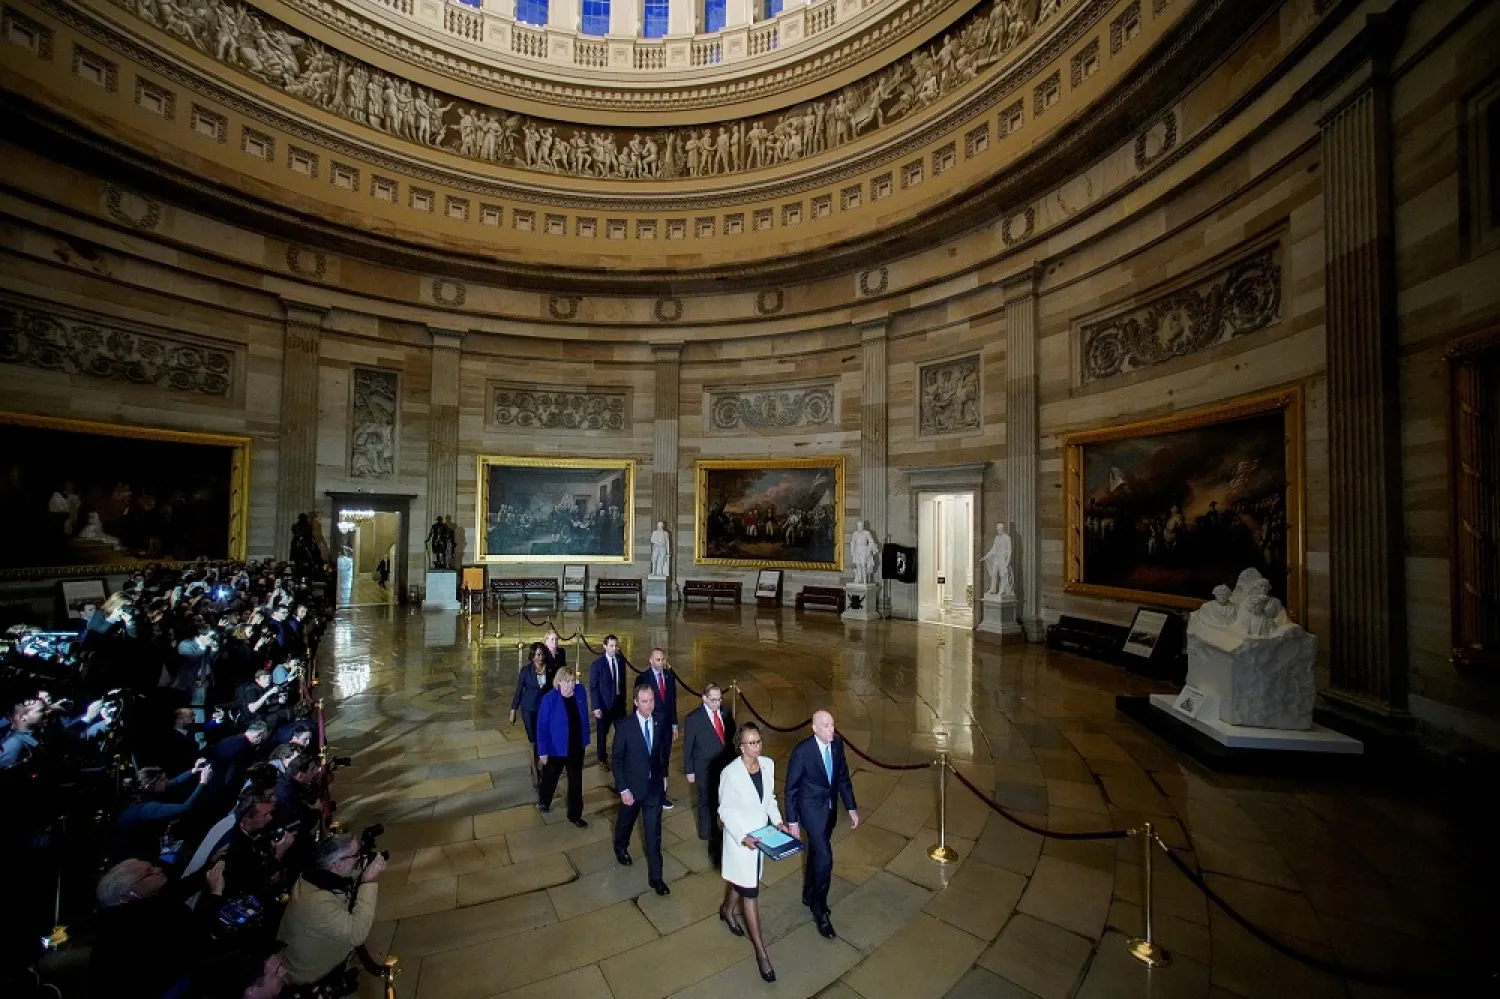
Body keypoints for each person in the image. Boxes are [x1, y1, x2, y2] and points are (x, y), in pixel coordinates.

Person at [717, 722, 783, 983]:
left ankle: (726, 910)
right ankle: (761, 953)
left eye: (759, 741)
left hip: (761, 839)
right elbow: (725, 811)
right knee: (751, 893)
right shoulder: (730, 773)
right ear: (740, 746)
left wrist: (777, 822)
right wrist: (743, 837)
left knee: (744, 882)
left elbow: (770, 799)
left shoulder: (767, 764)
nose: (757, 746)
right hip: (741, 842)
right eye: (752, 743)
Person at [785, 710, 859, 939]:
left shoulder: (837, 746)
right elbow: (791, 790)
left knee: (816, 854)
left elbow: (843, 777)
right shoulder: (802, 752)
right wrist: (792, 821)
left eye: (833, 724)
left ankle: (809, 893)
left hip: (829, 811)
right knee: (825, 858)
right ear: (814, 728)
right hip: (811, 811)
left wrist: (851, 807)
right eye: (826, 726)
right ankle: (820, 909)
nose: (831, 730)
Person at [275, 832, 385, 986]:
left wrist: (363, 868)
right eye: (356, 855)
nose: (360, 858)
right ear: (338, 864)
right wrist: (369, 882)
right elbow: (356, 934)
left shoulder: (314, 875)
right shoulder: (317, 902)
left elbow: (344, 879)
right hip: (308, 975)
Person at [611, 683, 671, 895]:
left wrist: (664, 775)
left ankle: (657, 878)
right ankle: (620, 845)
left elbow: (661, 751)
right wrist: (623, 789)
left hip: (654, 787)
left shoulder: (659, 719)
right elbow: (616, 760)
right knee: (626, 821)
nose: (649, 705)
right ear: (636, 702)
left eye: (651, 700)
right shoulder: (625, 726)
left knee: (654, 833)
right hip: (632, 788)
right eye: (644, 701)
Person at [682, 683, 735, 864]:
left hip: (724, 765)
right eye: (713, 700)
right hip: (704, 767)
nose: (717, 703)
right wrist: (689, 770)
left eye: (719, 699)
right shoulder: (693, 719)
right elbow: (688, 746)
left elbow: (731, 739)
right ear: (704, 698)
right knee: (706, 800)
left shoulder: (726, 713)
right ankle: (708, 833)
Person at [535, 668, 590, 827]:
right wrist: (543, 751)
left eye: (572, 681)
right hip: (556, 747)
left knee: (576, 782)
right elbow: (542, 727)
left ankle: (575, 815)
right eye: (566, 681)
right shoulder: (549, 699)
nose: (570, 685)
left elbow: (583, 716)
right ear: (558, 682)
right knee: (550, 776)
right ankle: (545, 800)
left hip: (576, 746)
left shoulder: (580, 692)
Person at [641, 648, 679, 809]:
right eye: (658, 660)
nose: (661, 662)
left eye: (663, 659)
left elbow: (672, 703)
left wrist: (674, 724)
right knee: (651, 760)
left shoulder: (670, 677)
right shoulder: (643, 678)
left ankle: (662, 794)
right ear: (650, 660)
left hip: (666, 729)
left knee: (665, 760)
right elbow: (638, 705)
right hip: (651, 727)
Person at [587, 634, 629, 772]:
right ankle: (602, 758)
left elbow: (622, 683)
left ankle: (619, 755)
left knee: (621, 731)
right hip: (604, 706)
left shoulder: (621, 660)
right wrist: (596, 707)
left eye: (616, 646)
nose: (614, 648)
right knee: (602, 733)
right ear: (605, 646)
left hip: (618, 704)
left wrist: (623, 700)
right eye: (611, 646)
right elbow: (593, 687)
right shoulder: (597, 665)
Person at [509, 642, 549, 782]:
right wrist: (513, 709)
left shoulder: (549, 670)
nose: (540, 657)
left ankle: (542, 764)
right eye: (537, 655)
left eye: (542, 654)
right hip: (529, 710)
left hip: (544, 709)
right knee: (533, 740)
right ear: (532, 656)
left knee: (543, 737)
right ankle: (536, 772)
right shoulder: (526, 671)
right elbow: (518, 691)